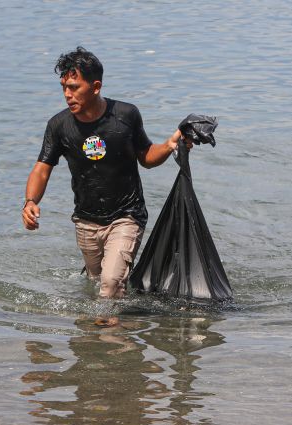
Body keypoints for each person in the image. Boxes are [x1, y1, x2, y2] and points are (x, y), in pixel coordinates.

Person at [22, 46, 192, 299]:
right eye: (64, 88)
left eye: (74, 87)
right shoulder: (58, 126)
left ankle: (108, 333)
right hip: (85, 220)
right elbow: (42, 168)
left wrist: (169, 145)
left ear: (96, 86)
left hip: (127, 215)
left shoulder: (125, 115)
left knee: (110, 284)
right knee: (98, 285)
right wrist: (31, 201)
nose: (67, 95)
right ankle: (105, 329)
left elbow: (145, 156)